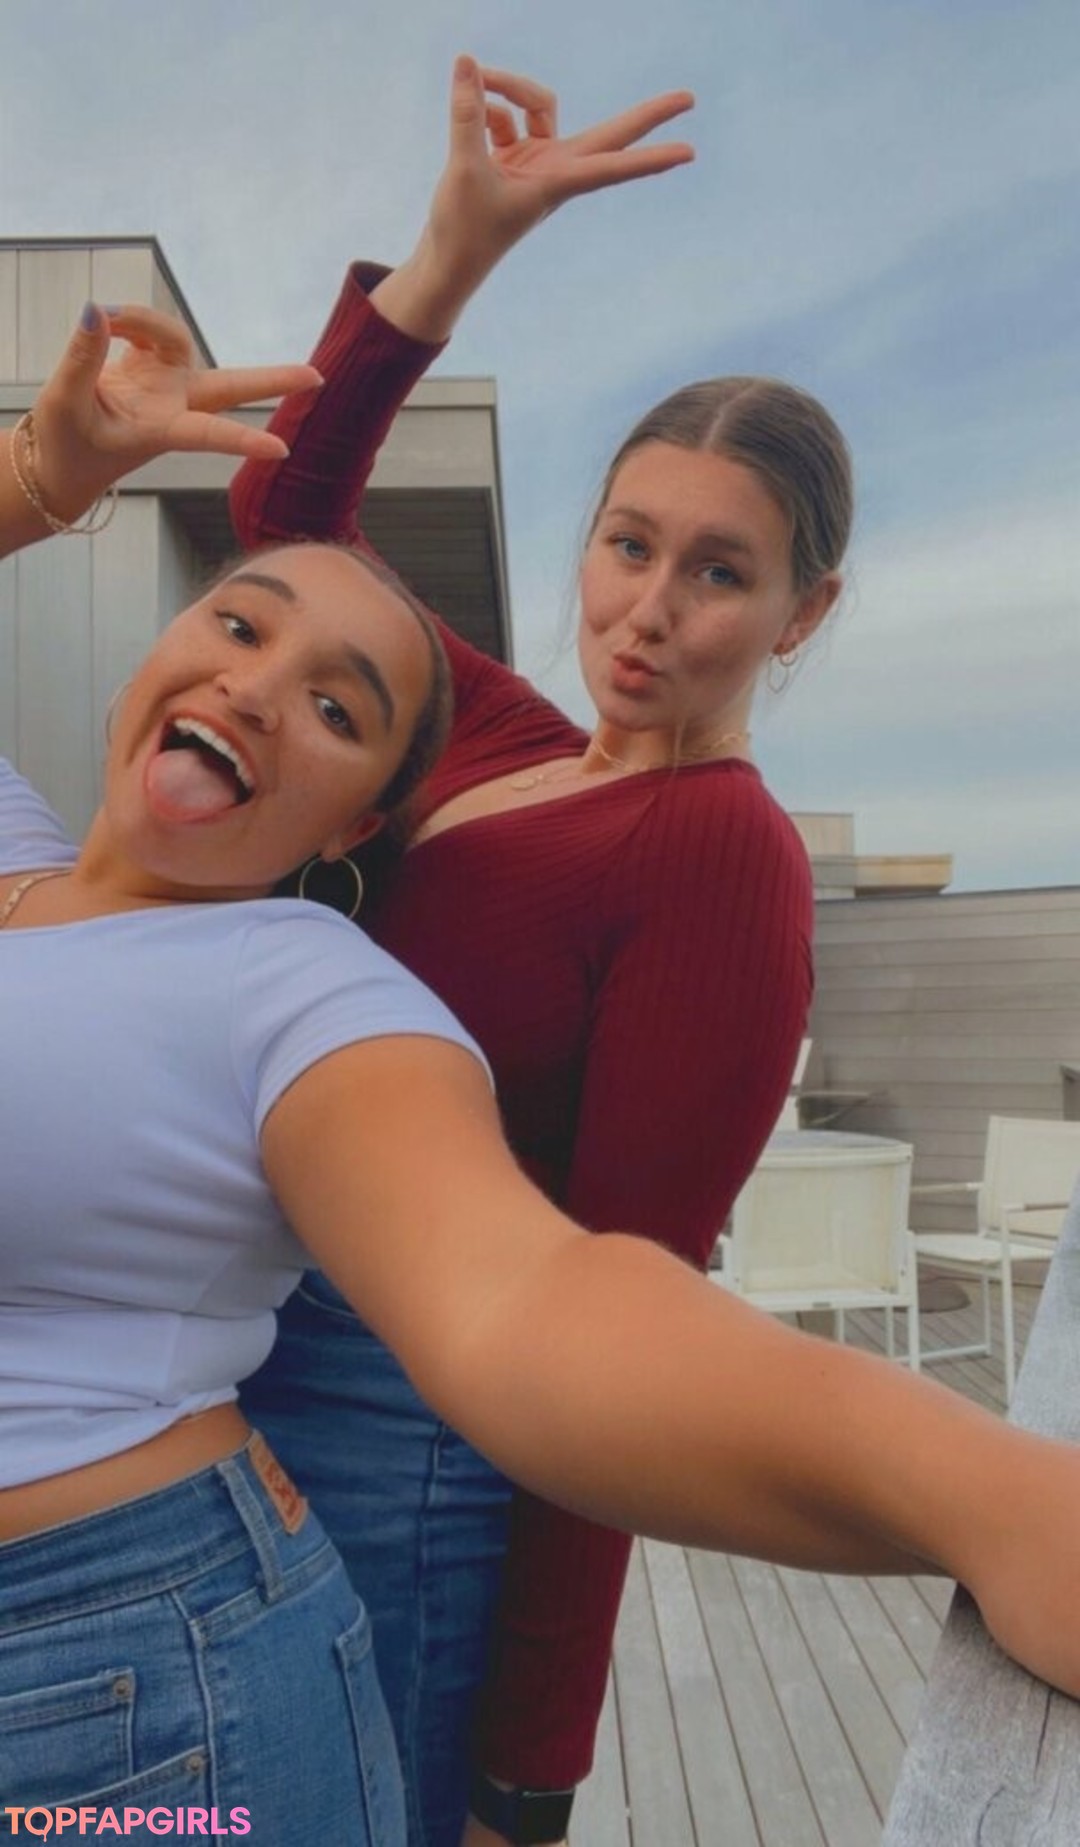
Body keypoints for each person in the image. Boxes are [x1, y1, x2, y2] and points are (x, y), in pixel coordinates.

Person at [230, 59, 841, 1847]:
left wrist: (529, 1776)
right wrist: (452, 254)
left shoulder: (723, 854)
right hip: (257, 1357)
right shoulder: (502, 738)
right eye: (629, 545)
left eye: (718, 574)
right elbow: (290, 526)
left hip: (418, 1439)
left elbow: (623, 1322)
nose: (647, 612)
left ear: (801, 614)